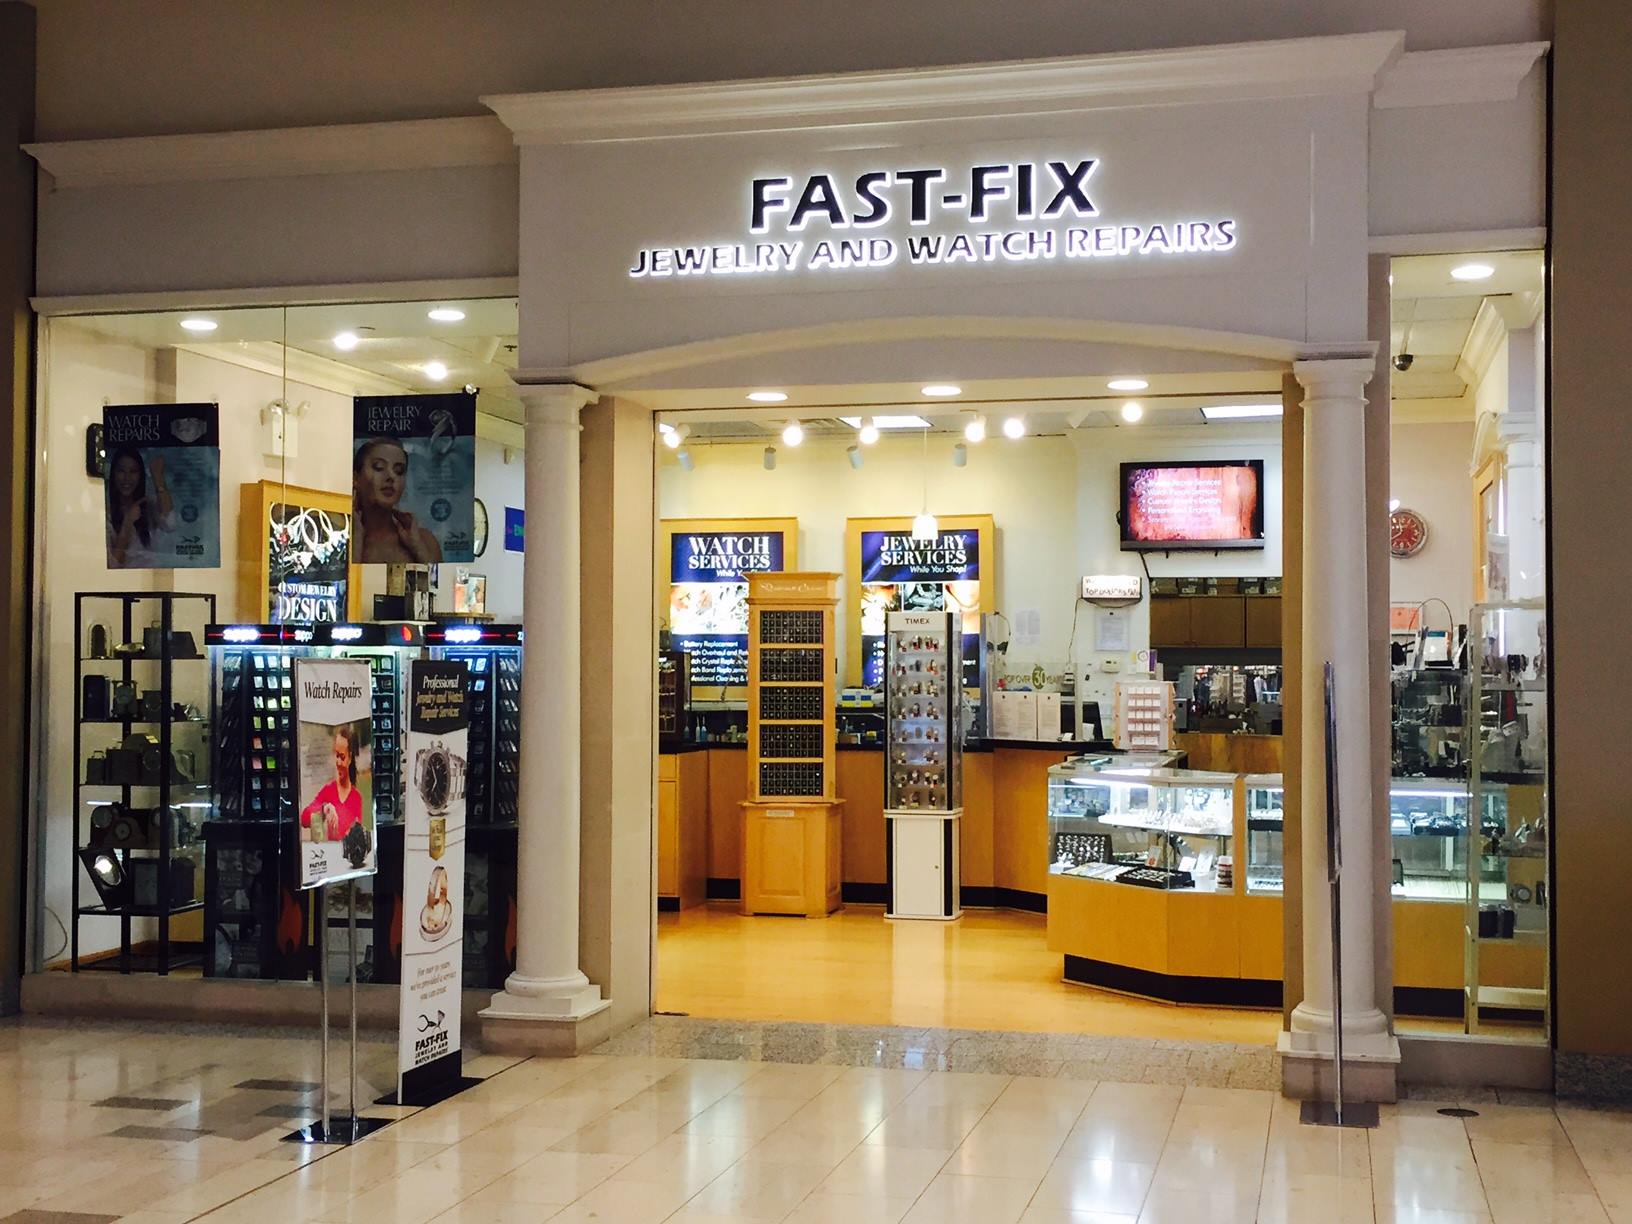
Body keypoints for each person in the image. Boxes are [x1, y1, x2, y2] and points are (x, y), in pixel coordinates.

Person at [352, 437, 442, 563]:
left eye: (399, 471)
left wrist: (418, 549)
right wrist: (356, 546)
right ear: (355, 478)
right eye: (379, 467)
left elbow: (437, 582)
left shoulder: (425, 541)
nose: (391, 476)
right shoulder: (338, 540)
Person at [106, 447, 175, 568]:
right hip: (123, 582)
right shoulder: (105, 512)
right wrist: (127, 523)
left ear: (140, 475)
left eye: (133, 471)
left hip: (151, 579)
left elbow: (171, 524)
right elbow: (113, 564)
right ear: (113, 473)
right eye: (121, 471)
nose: (127, 478)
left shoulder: (149, 505)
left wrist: (158, 478)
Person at [301, 725, 364, 843]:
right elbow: (304, 819)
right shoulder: (328, 790)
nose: (338, 762)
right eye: (336, 755)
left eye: (342, 757)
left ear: (350, 758)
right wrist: (324, 808)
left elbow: (358, 837)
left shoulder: (356, 797)